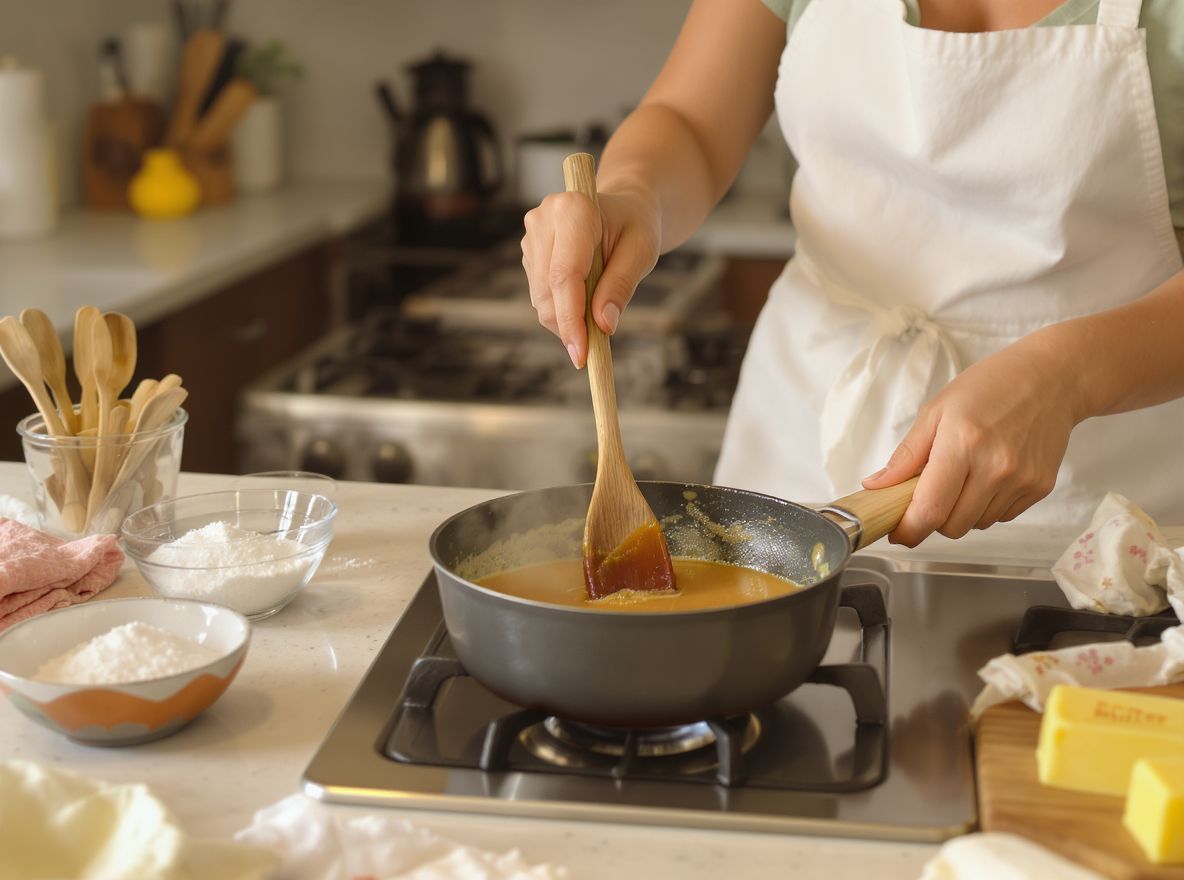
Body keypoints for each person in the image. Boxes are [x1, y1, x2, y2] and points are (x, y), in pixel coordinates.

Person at [521, 0, 1184, 547]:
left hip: (1097, 502)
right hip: (795, 449)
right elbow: (690, 122)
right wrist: (633, 197)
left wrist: (1066, 377)